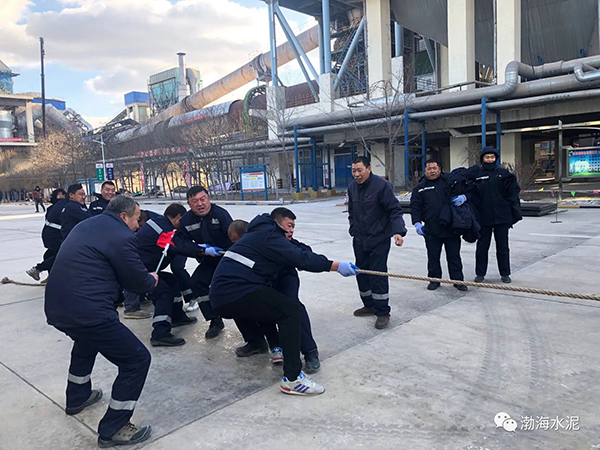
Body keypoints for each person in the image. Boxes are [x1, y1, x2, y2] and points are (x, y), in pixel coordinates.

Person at [44, 195, 158, 447]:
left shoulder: (86, 225)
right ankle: (114, 427)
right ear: (123, 216)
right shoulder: (122, 236)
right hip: (89, 311)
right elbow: (137, 282)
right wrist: (152, 279)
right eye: (137, 219)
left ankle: (77, 397)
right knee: (136, 359)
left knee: (86, 342)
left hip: (57, 306)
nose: (138, 225)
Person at [210, 207, 357, 396]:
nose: (291, 230)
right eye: (289, 225)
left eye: (294, 226)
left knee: (281, 306)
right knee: (290, 311)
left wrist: (320, 262)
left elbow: (301, 253)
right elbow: (299, 257)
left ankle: (282, 352)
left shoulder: (262, 233)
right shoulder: (269, 234)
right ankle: (293, 379)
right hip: (233, 291)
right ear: (278, 223)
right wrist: (336, 266)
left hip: (230, 292)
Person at [229, 215, 322, 373]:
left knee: (293, 307)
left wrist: (299, 259)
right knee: (248, 304)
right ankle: (266, 344)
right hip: (262, 280)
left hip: (284, 277)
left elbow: (304, 252)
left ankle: (310, 352)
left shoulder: (272, 239)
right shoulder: (245, 246)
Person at [347, 156, 407, 329]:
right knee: (362, 273)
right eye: (354, 171)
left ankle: (382, 312)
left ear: (369, 169)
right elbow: (351, 211)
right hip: (359, 239)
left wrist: (398, 231)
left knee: (378, 274)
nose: (356, 174)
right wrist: (353, 229)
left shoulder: (381, 186)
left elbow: (394, 210)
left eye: (360, 170)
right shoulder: (352, 187)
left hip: (378, 238)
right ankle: (369, 305)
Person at [136, 203, 201, 346]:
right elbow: (178, 245)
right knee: (163, 292)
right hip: (139, 272)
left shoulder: (160, 223)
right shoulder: (165, 229)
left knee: (172, 280)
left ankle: (177, 316)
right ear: (178, 217)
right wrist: (201, 250)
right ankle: (160, 333)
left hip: (146, 269)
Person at [178, 186, 233, 339]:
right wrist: (200, 249)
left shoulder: (220, 215)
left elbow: (234, 237)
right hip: (208, 258)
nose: (200, 204)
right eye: (195, 201)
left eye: (203, 199)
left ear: (209, 199)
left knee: (230, 287)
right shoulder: (186, 220)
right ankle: (215, 320)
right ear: (189, 204)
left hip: (227, 258)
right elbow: (181, 242)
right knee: (196, 282)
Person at [410, 160, 466, 292]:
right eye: (429, 168)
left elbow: (468, 188)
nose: (432, 171)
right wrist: (417, 223)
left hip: (451, 227)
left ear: (440, 169)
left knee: (454, 256)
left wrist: (464, 197)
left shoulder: (449, 182)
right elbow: (415, 207)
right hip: (431, 229)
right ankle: (434, 280)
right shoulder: (420, 188)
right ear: (425, 171)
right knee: (433, 256)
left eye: (434, 168)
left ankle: (458, 281)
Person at [470, 147, 522, 284]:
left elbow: (513, 191)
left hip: (502, 217)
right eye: (487, 157)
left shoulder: (503, 173)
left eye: (492, 157)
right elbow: (472, 194)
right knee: (482, 247)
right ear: (482, 159)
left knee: (503, 247)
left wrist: (510, 207)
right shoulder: (477, 175)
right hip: (483, 218)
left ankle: (505, 273)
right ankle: (480, 274)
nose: (490, 160)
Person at [26, 189, 67, 282]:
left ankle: (51, 276)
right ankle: (38, 269)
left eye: (62, 195)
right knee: (61, 255)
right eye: (59, 195)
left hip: (50, 235)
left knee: (49, 254)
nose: (61, 197)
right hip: (55, 236)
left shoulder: (54, 207)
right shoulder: (63, 206)